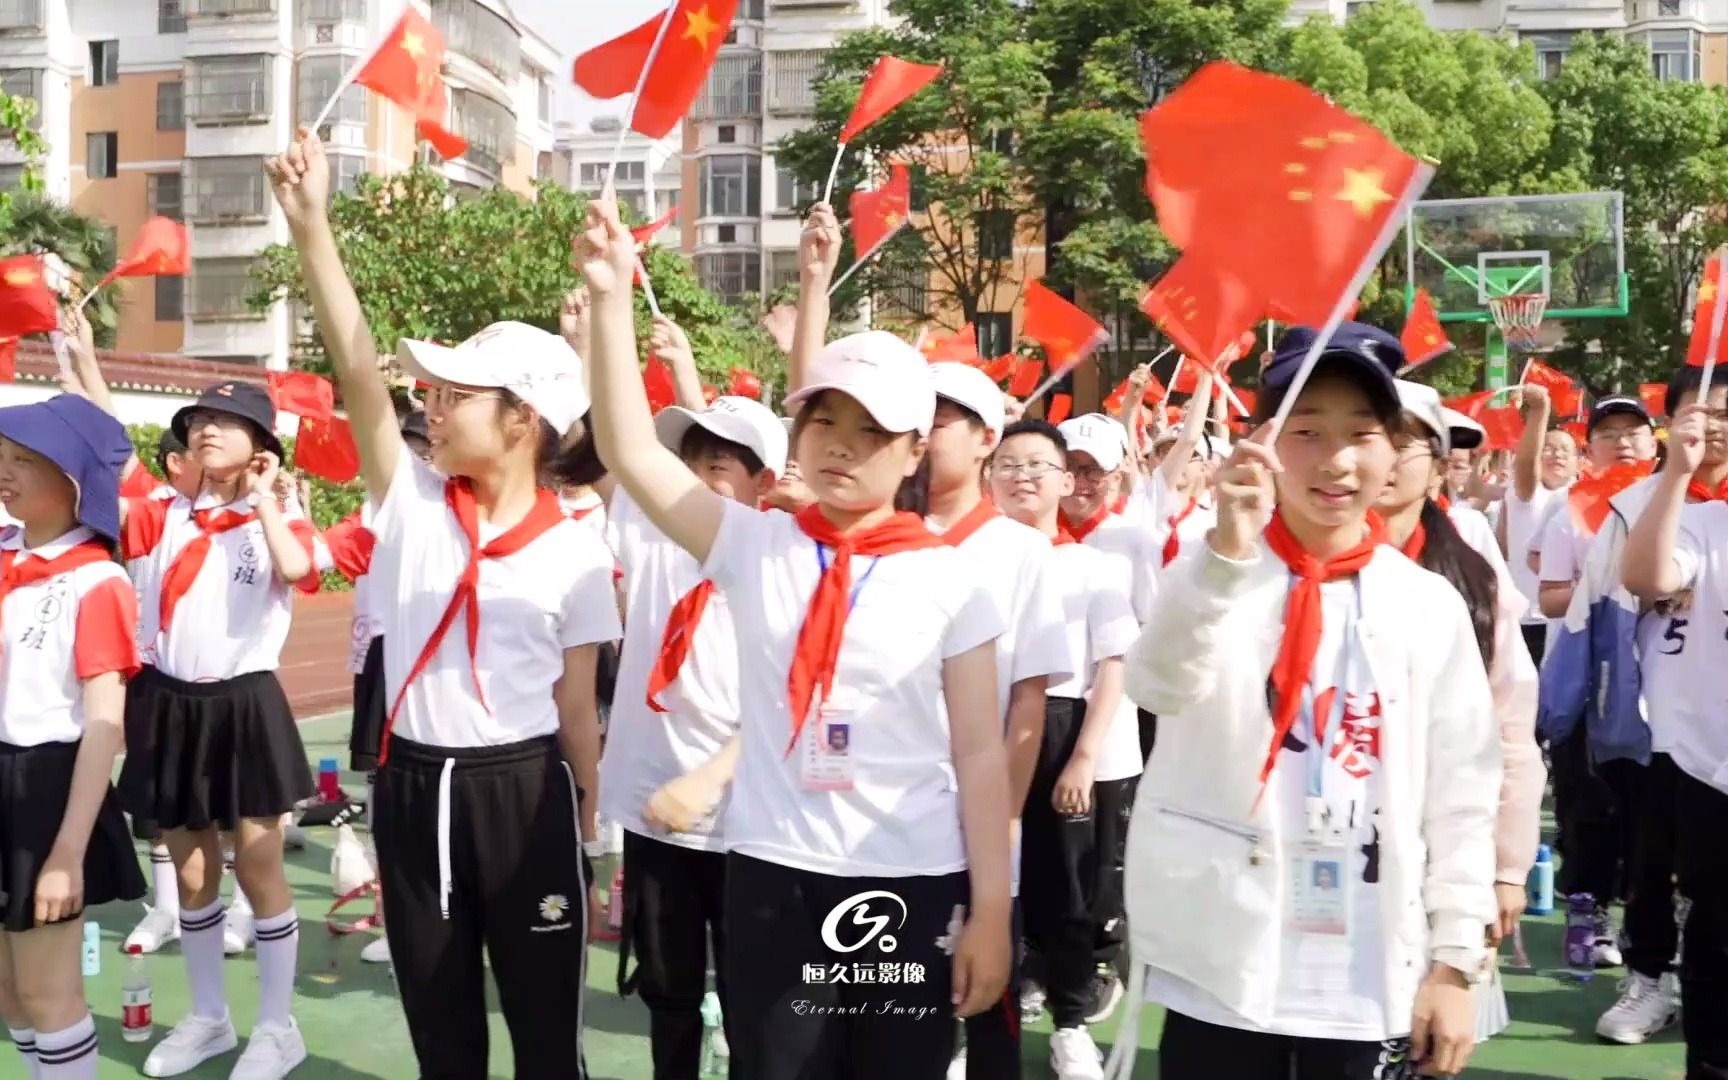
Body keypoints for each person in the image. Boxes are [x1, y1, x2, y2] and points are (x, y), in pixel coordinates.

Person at [580, 195, 1011, 1078]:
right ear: (799, 430)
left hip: (911, 875)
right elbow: (632, 451)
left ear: (913, 449)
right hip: (775, 875)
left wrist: (993, 916)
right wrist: (610, 299)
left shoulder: (952, 575)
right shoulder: (755, 543)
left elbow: (978, 757)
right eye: (825, 422)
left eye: (871, 431)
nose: (843, 448)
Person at [268, 129, 618, 1078]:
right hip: (417, 790)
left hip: (528, 794)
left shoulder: (576, 553)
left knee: (548, 1034)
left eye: (457, 393)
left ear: (522, 420)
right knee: (440, 1023)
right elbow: (356, 369)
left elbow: (578, 708)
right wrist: (312, 228)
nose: (433, 404)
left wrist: (597, 822)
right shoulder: (413, 500)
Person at [1111, 324, 1498, 1080]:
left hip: (1364, 968)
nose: (1337, 460)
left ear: (1394, 450)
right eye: (1307, 432)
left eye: (1362, 433)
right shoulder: (1215, 571)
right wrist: (1223, 556)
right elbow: (1156, 686)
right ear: (1263, 444)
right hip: (1222, 964)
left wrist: (1455, 963)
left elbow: (1463, 795)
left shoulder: (1426, 605)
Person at [113, 373, 318, 1079]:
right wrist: (77, 357)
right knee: (193, 870)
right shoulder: (162, 512)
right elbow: (108, 445)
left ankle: (276, 1027)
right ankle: (208, 1017)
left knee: (257, 866)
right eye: (199, 420)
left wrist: (265, 500)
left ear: (261, 444)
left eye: (226, 423)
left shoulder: (281, 513)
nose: (206, 430)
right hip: (169, 702)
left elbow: (297, 569)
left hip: (245, 702)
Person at [603, 392, 786, 1079]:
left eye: (715, 465)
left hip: (747, 819)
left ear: (763, 482)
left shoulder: (782, 561)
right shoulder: (647, 532)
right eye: (687, 463)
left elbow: (788, 701)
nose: (691, 480)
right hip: (653, 809)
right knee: (668, 990)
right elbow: (618, 442)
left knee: (753, 995)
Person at [918, 365, 1073, 1080]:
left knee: (988, 1008)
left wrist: (1003, 822)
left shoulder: (1022, 552)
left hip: (981, 818)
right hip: (890, 821)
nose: (921, 436)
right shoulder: (891, 539)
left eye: (940, 422)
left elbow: (1029, 698)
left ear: (986, 439)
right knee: (893, 1002)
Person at [0, 394, 145, 1080]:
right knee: (9, 995)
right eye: (3, 458)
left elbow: (102, 724)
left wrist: (67, 851)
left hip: (48, 787)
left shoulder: (96, 581)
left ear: (76, 483)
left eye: (26, 461)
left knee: (46, 993)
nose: (7, 472)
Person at [989, 418, 1138, 1080]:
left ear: (1064, 481)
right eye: (1009, 464)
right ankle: (981, 1021)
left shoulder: (1095, 566)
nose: (1023, 477)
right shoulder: (961, 560)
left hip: (1065, 732)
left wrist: (1083, 756)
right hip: (982, 730)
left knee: (1068, 890)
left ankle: (1071, 1024)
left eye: (1038, 466)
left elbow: (1113, 664)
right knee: (982, 885)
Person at [1380, 381, 1544, 956]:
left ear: (1437, 470)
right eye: (1369, 436)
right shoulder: (1297, 573)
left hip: (1446, 842)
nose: (1382, 457)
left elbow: (1511, 726)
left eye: (1405, 444)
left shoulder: (1471, 579)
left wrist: (1507, 868)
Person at [1622, 395, 1728, 1077]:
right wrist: (1675, 475)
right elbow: (1647, 577)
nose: (1717, 422)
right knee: (1718, 936)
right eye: (1709, 411)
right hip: (1708, 762)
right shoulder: (1698, 519)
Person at [1534, 395, 1658, 965]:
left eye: (1634, 431)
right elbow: (1552, 597)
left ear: (1655, 442)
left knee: (1649, 812)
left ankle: (1645, 922)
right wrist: (1600, 583)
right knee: (1589, 806)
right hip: (1588, 682)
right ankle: (1588, 915)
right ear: (1591, 449)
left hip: (1658, 687)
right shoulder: (1573, 511)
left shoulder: (1674, 506)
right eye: (1608, 433)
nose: (1623, 442)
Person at [1502, 384, 1578, 664]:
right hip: (1526, 620)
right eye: (1548, 448)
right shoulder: (1526, 494)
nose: (1556, 455)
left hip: (1568, 620)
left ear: (1578, 462)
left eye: (1565, 451)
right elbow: (1525, 465)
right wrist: (1539, 412)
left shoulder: (1584, 499)